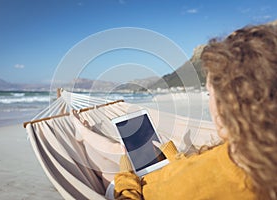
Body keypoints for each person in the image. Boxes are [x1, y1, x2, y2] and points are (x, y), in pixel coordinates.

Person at [114, 23, 277, 199]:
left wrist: (125, 174)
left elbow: (192, 179)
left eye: (210, 94)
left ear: (228, 106)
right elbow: (200, 166)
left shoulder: (196, 185)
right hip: (173, 167)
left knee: (105, 177)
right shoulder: (251, 152)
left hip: (143, 188)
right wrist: (172, 155)